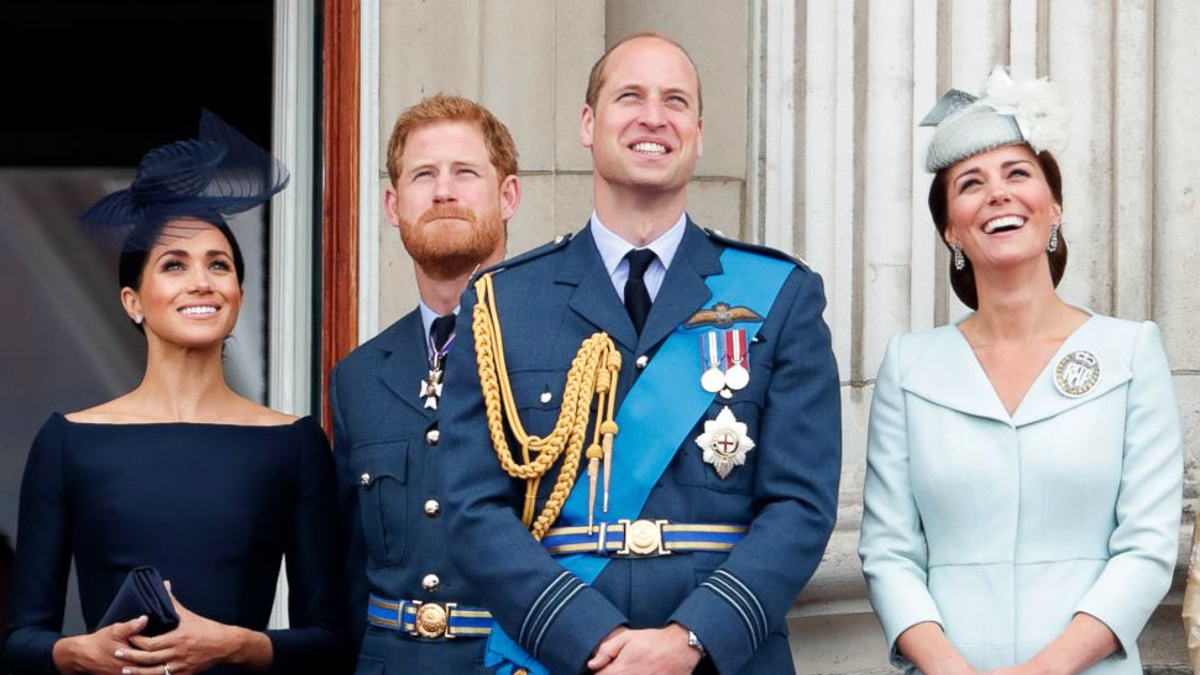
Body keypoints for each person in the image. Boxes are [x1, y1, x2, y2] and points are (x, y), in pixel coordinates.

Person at [437, 32, 841, 675]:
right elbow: (472, 507)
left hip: (720, 657)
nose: (654, 117)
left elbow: (801, 505)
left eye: (675, 101)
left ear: (698, 133)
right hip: (560, 655)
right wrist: (591, 640)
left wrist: (690, 639)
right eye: (631, 97)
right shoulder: (501, 303)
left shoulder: (781, 294)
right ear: (588, 124)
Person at [858, 68, 1182, 675]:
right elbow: (888, 550)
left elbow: (1146, 546)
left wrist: (1044, 670)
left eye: (1017, 173)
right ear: (951, 228)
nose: (998, 194)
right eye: (971, 183)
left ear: (1053, 207)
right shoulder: (910, 366)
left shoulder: (1130, 352)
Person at [2, 112, 343, 675]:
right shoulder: (68, 442)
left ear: (236, 293)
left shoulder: (294, 443)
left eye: (219, 265)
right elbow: (20, 641)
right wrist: (75, 652)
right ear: (133, 301)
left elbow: (331, 641)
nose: (201, 281)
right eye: (174, 265)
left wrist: (234, 644)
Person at [330, 94, 520, 674]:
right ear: (392, 204)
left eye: (465, 172)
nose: (443, 191)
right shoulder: (358, 377)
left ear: (508, 195)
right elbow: (347, 572)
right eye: (423, 175)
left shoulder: (566, 351)